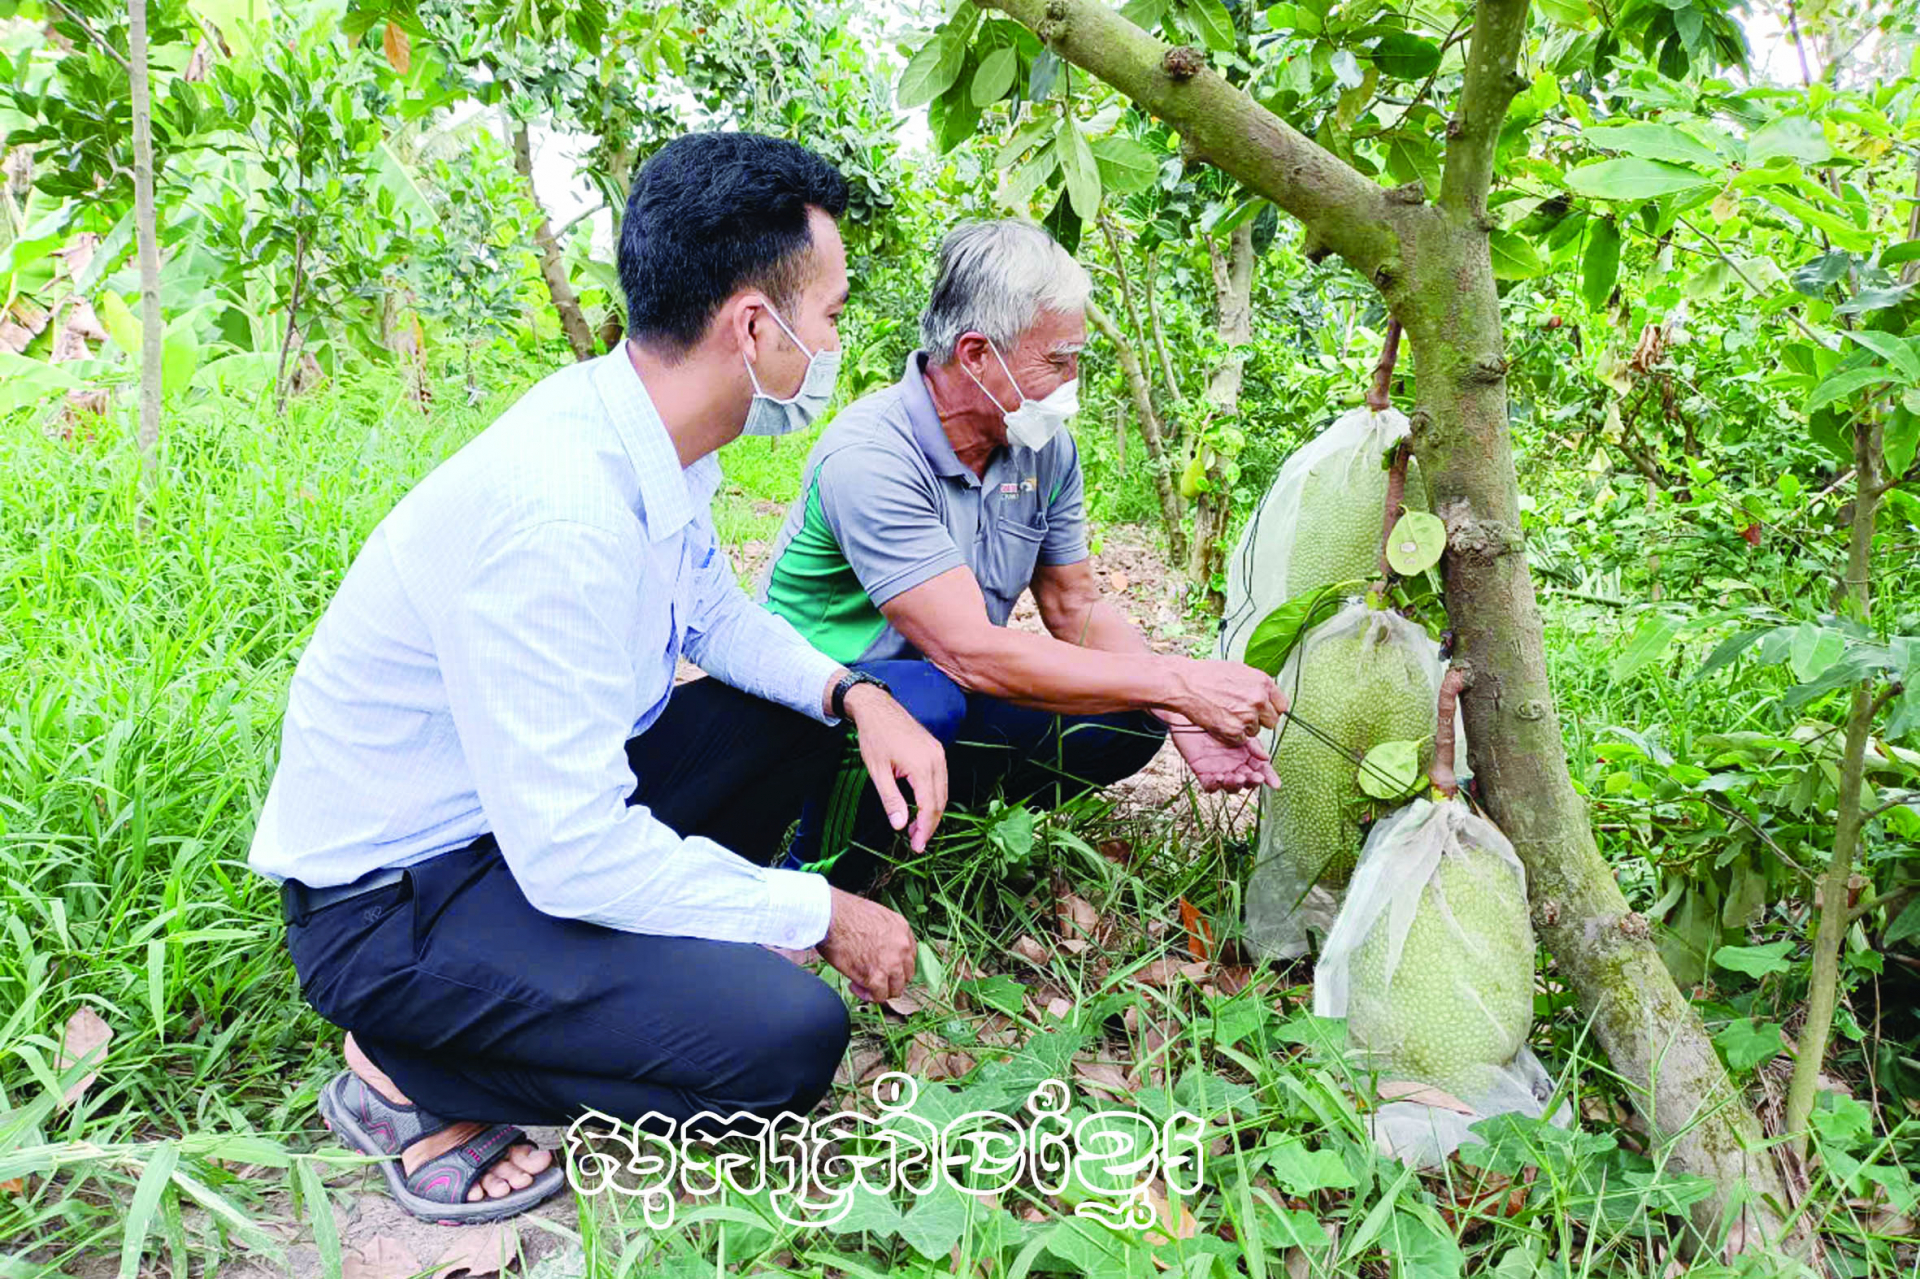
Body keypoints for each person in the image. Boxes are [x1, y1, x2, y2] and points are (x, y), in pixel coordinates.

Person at [247, 133, 947, 1224]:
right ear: (754, 328)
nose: (837, 339)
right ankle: (405, 1067)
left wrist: (858, 695)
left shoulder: (649, 432)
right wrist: (818, 911)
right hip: (396, 908)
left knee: (796, 722)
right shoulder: (561, 510)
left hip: (509, 828)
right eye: (833, 314)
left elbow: (713, 614)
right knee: (787, 1041)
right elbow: (572, 851)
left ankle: (621, 970)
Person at [757, 219, 1288, 893]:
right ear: (976, 353)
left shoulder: (1043, 447)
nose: (1073, 384)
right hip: (820, 710)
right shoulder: (872, 454)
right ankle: (819, 871)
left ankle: (928, 819)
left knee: (1130, 715)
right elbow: (969, 652)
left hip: (946, 688)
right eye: (1058, 362)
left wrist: (1178, 710)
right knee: (928, 697)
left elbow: (1076, 605)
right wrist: (1180, 682)